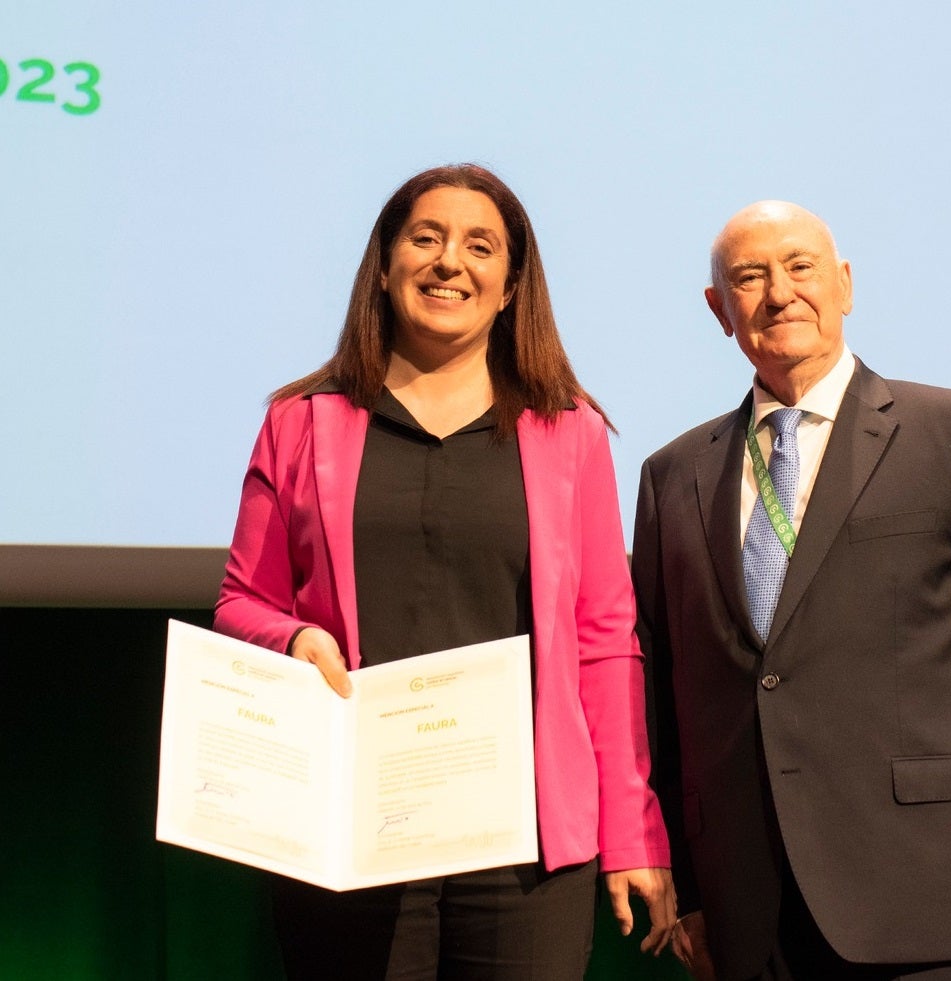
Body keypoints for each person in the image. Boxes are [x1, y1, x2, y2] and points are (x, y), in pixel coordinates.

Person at [214, 164, 675, 980]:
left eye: (478, 246)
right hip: (350, 832)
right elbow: (242, 601)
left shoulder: (567, 431)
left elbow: (604, 639)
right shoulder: (300, 421)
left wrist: (632, 832)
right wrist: (293, 636)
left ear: (508, 287)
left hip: (527, 845)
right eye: (424, 239)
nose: (447, 262)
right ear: (385, 268)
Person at [632, 200, 951, 981]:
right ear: (719, 310)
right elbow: (666, 696)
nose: (779, 292)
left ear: (844, 284)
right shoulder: (671, 474)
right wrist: (694, 886)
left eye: (801, 266)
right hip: (752, 911)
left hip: (932, 896)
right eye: (749, 276)